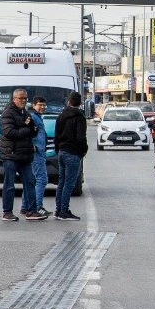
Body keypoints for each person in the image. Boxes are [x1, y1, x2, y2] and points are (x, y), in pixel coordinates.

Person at [0, 89, 45, 221]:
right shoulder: (8, 113)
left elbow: (33, 131)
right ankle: (7, 212)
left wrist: (30, 129)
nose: (23, 100)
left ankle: (31, 211)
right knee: (9, 185)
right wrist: (26, 129)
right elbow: (8, 132)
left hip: (25, 154)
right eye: (20, 98)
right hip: (11, 155)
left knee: (30, 182)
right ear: (14, 99)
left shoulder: (25, 112)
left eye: (25, 98)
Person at [53, 91, 88, 221]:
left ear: (68, 102)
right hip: (73, 153)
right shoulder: (79, 117)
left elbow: (56, 135)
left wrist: (58, 149)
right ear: (80, 103)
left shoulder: (61, 116)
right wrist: (82, 151)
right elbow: (81, 137)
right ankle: (64, 211)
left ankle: (58, 210)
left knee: (61, 182)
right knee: (69, 183)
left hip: (62, 151)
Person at [27, 96, 51, 215]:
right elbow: (29, 133)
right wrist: (33, 145)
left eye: (44, 105)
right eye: (39, 105)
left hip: (39, 151)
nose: (42, 107)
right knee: (41, 179)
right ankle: (37, 207)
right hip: (37, 152)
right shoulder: (33, 118)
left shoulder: (36, 117)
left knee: (31, 180)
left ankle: (26, 206)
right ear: (33, 105)